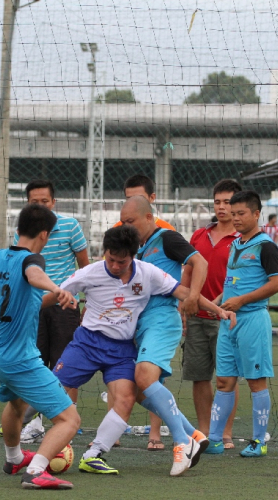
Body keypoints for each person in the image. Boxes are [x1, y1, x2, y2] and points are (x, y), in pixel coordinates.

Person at [53, 225, 234, 477]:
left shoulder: (150, 269)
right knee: (55, 390)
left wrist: (218, 310)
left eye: (122, 261)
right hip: (90, 342)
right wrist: (31, 309)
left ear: (133, 255)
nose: (115, 266)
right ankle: (191, 434)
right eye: (111, 259)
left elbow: (185, 287)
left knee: (136, 387)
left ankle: (176, 442)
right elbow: (57, 292)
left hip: (134, 340)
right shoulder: (90, 273)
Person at [0, 203, 80, 490]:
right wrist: (56, 288)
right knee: (70, 419)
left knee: (16, 404)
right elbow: (33, 276)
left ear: (18, 229)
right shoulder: (32, 260)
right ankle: (35, 472)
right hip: (21, 359)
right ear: (45, 234)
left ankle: (14, 458)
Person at [120, 195, 215, 457]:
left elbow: (200, 262)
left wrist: (194, 295)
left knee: (143, 379)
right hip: (140, 324)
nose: (126, 226)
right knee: (137, 390)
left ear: (149, 217)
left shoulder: (167, 238)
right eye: (123, 222)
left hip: (161, 318)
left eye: (131, 221)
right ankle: (192, 435)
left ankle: (183, 443)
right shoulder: (138, 249)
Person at [11, 179, 89, 444]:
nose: (41, 206)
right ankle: (29, 423)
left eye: (45, 201)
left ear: (54, 202)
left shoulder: (70, 226)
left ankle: (70, 420)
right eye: (35, 202)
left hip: (65, 306)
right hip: (33, 307)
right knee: (34, 363)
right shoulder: (22, 233)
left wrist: (85, 298)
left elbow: (84, 265)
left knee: (66, 363)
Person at [209, 190, 278, 458]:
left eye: (241, 213)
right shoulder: (236, 244)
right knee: (223, 381)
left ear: (256, 214)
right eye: (233, 212)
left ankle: (258, 441)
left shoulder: (266, 246)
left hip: (252, 320)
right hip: (229, 323)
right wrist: (215, 303)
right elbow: (230, 285)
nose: (235, 217)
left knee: (256, 381)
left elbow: (277, 283)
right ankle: (214, 439)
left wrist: (241, 301)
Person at [111, 173, 172, 447]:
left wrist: (186, 298)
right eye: (127, 198)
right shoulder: (120, 232)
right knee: (119, 371)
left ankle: (156, 433)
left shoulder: (165, 233)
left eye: (139, 198)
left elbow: (192, 264)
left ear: (151, 201)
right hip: (128, 317)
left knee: (151, 374)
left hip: (158, 316)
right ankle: (113, 430)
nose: (131, 204)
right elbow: (111, 269)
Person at [180, 178, 241, 450]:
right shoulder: (198, 235)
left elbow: (241, 279)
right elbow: (188, 273)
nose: (222, 207)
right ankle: (205, 430)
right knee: (199, 375)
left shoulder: (244, 239)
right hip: (196, 316)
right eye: (218, 201)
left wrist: (217, 305)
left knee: (227, 377)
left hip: (226, 317)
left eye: (228, 202)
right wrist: (183, 304)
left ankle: (225, 431)